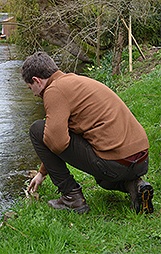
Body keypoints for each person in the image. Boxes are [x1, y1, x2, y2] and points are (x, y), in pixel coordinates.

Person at [21, 52, 154, 214]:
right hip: (141, 161)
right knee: (103, 180)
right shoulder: (75, 81)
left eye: (30, 88)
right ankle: (136, 187)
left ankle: (72, 197)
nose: (34, 94)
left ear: (37, 81)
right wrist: (42, 172)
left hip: (116, 164)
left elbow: (56, 143)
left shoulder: (54, 90)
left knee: (37, 129)